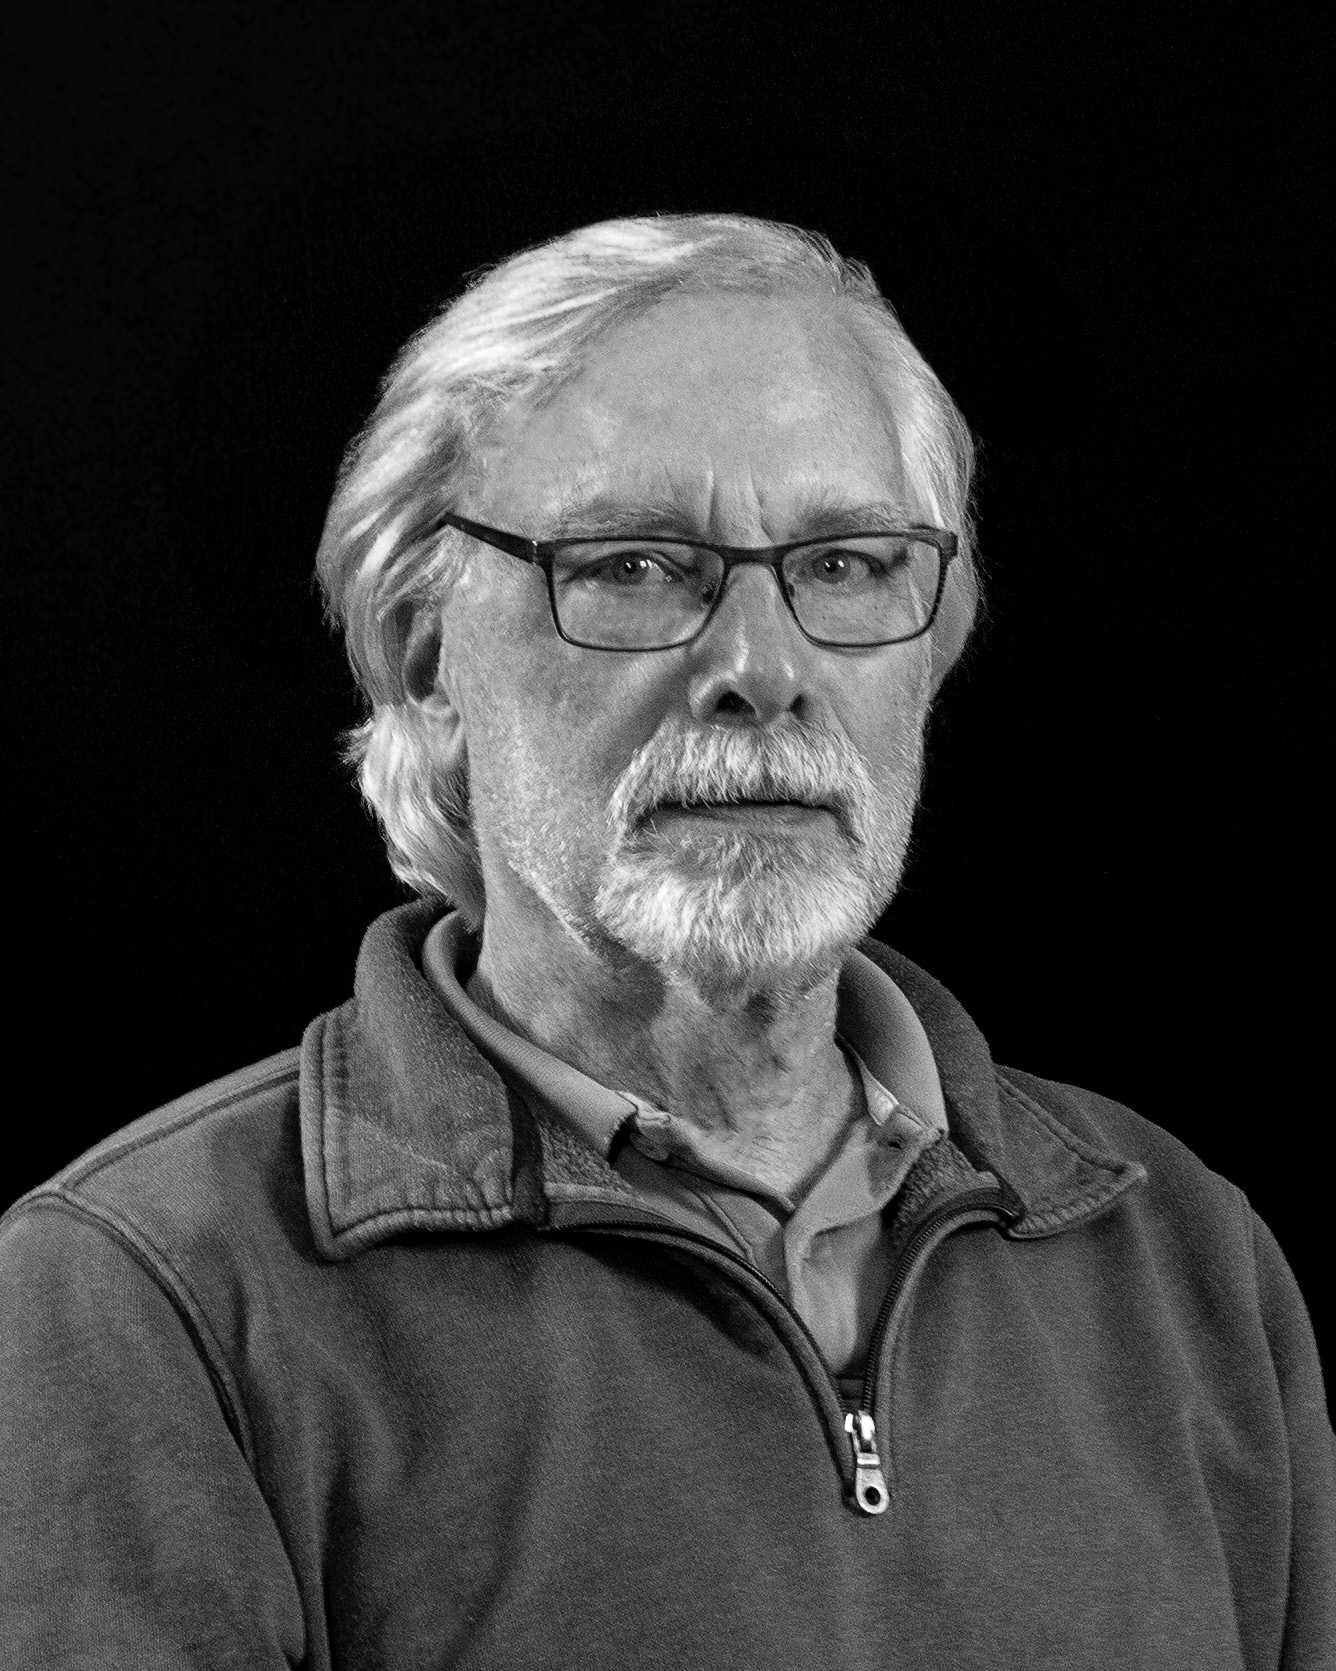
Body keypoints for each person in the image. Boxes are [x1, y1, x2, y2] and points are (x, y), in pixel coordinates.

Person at [1, 213, 1331, 1670]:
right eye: (637, 566)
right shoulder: (150, 1294)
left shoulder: (1183, 1263)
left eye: (846, 564)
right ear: (428, 657)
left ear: (934, 644)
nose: (762, 669)